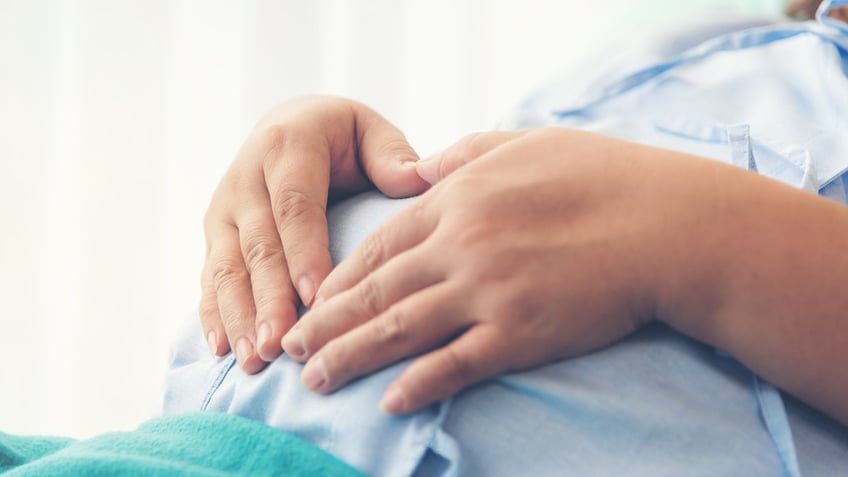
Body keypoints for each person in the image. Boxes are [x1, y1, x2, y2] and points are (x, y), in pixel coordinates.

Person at [182, 0, 848, 475]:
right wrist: (349, 171)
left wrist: (681, 229)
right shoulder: (670, 38)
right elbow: (513, 225)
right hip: (172, 441)